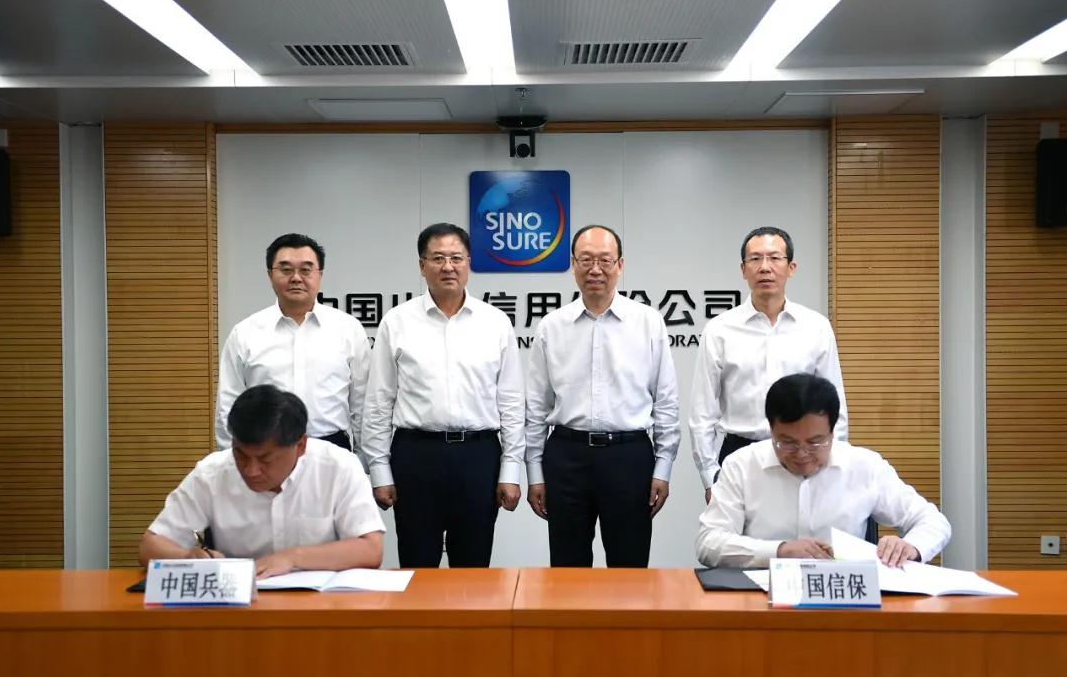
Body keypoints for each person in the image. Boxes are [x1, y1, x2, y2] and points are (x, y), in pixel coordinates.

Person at [361, 223, 524, 568]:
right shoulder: (397, 322)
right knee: (417, 564)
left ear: (469, 263)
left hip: (478, 456)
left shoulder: (495, 322)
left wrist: (510, 469)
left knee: (474, 565)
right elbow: (378, 402)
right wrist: (379, 470)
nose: (448, 267)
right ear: (422, 266)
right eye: (437, 258)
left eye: (456, 258)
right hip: (416, 456)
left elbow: (510, 401)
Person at [525, 225, 680, 567]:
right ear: (573, 265)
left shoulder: (648, 322)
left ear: (620, 265)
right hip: (566, 456)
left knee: (629, 566)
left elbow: (666, 402)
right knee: (567, 568)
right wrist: (535, 472)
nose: (595, 269)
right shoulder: (552, 326)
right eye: (586, 260)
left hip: (629, 458)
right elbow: (536, 407)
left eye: (605, 260)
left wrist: (663, 468)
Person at [696, 373, 950, 568]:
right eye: (788, 443)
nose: (802, 454)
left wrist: (910, 546)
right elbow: (709, 542)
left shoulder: (864, 466)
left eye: (815, 443)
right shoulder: (741, 465)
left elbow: (933, 521)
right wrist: (779, 551)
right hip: (762, 600)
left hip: (846, 601)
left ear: (832, 431)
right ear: (771, 430)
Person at [139, 385, 385, 578]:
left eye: (265, 459)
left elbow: (370, 549)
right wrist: (186, 558)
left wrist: (292, 558)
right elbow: (151, 546)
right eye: (241, 455)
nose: (251, 470)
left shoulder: (338, 466)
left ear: (300, 445)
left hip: (323, 606)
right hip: (241, 606)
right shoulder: (212, 473)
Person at [688, 226, 848, 501]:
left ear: (791, 267)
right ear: (743, 269)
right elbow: (702, 414)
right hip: (740, 456)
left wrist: (830, 467)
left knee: (800, 530)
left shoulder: (816, 327)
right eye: (755, 259)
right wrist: (710, 476)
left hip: (802, 455)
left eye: (774, 258)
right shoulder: (719, 330)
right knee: (740, 531)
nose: (765, 267)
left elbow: (836, 408)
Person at [215, 233, 369, 455]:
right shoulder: (245, 334)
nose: (296, 278)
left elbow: (362, 405)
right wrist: (234, 460)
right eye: (286, 270)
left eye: (306, 270)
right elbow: (228, 406)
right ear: (270, 275)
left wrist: (364, 462)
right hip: (265, 451)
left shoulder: (348, 329)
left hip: (332, 450)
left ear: (320, 275)